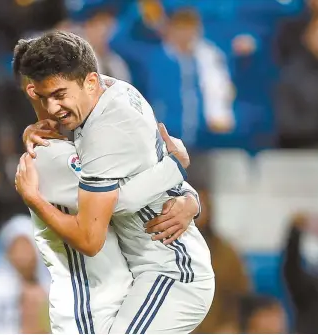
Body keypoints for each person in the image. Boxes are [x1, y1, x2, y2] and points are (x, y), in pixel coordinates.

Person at [13, 31, 214, 333]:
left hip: (171, 272)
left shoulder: (107, 133)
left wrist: (34, 200)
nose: (51, 108)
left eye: (59, 95)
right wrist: (178, 177)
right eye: (41, 97)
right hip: (152, 269)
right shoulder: (109, 91)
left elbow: (91, 238)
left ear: (90, 81)